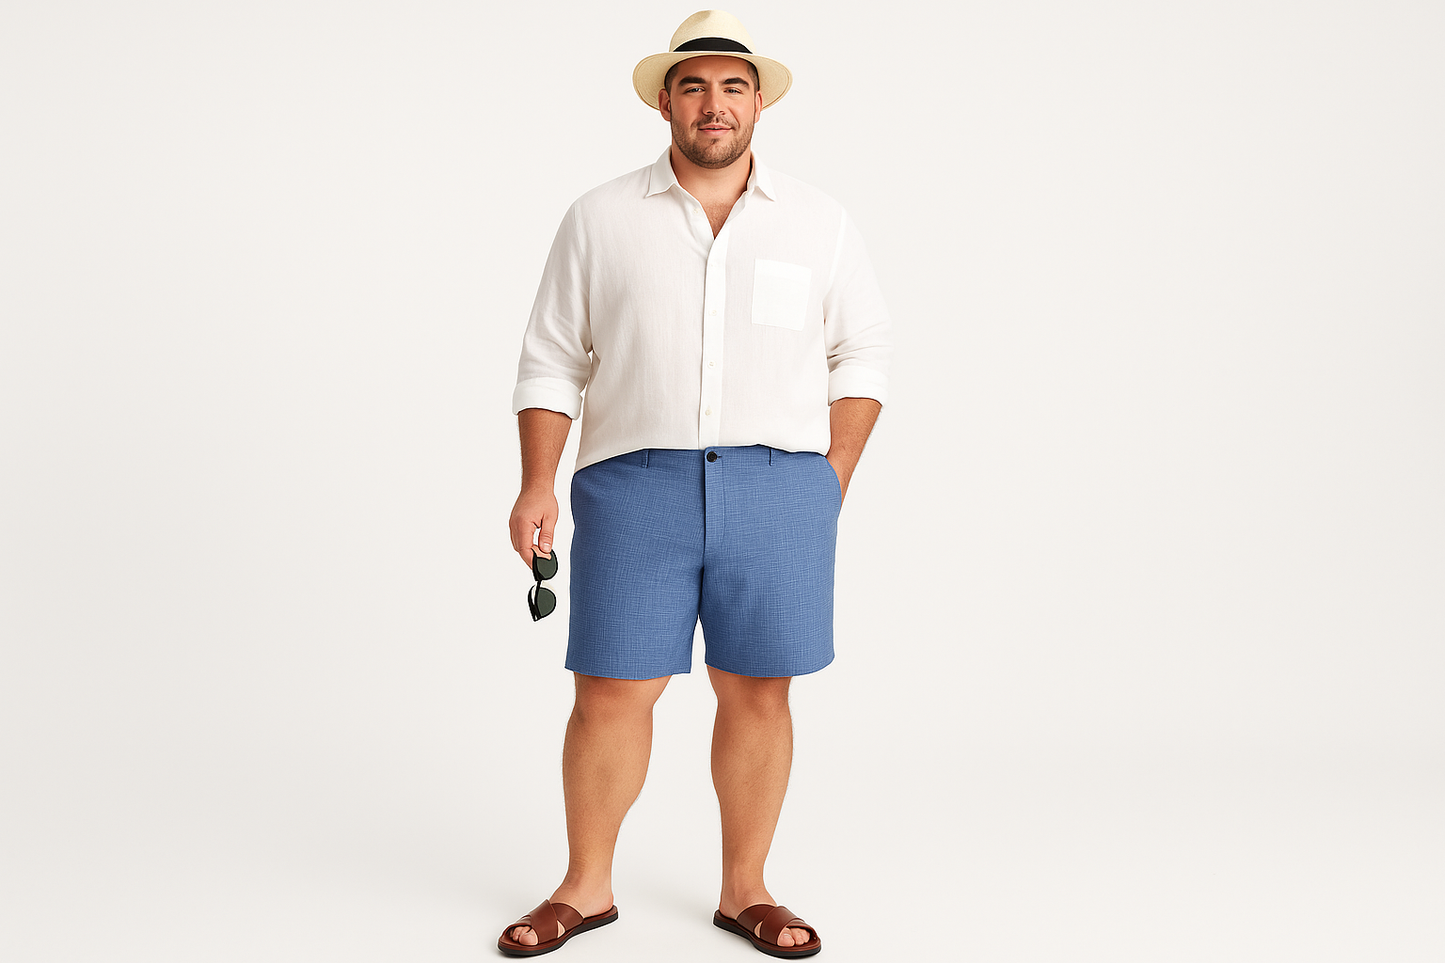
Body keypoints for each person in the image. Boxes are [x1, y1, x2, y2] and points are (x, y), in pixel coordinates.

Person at [499, 10, 890, 958]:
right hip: (633, 483)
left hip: (780, 486)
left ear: (758, 103)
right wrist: (536, 483)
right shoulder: (599, 218)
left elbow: (863, 354)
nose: (714, 104)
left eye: (732, 87)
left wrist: (828, 479)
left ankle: (745, 890)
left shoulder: (818, 222)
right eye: (694, 86)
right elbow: (551, 359)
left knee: (758, 691)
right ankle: (585, 888)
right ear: (665, 102)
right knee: (609, 691)